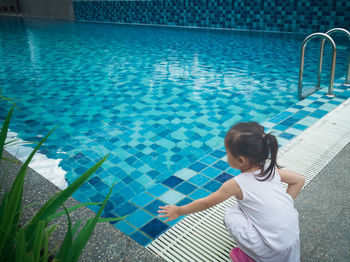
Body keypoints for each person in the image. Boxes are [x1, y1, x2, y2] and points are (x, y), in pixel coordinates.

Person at [158, 122, 305, 262]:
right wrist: (284, 204)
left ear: (241, 160)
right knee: (244, 207)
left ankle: (251, 257)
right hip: (291, 242)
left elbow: (206, 202)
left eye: (227, 152)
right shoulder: (271, 169)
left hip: (272, 250)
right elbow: (299, 180)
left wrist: (180, 210)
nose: (226, 155)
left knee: (231, 214)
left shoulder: (236, 184)